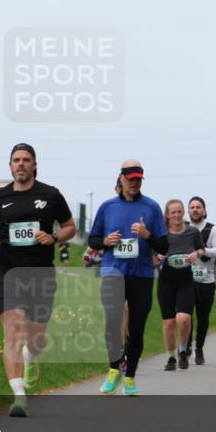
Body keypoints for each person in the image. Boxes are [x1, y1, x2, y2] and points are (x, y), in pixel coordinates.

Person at [0, 143, 75, 417]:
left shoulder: (50, 195)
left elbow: (70, 227)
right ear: (10, 166)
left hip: (41, 274)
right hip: (8, 273)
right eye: (16, 160)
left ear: (34, 165)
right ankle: (19, 396)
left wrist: (54, 237)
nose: (21, 164)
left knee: (36, 338)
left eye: (26, 160)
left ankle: (32, 357)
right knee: (14, 329)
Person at [89, 161, 169, 396]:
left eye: (138, 179)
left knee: (136, 327)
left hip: (142, 274)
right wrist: (105, 241)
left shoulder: (151, 207)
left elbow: (164, 246)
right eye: (131, 179)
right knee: (112, 323)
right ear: (121, 179)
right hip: (113, 272)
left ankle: (130, 376)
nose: (134, 183)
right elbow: (92, 240)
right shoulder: (107, 207)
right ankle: (114, 369)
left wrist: (147, 235)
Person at [156, 200, 205, 371]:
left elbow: (201, 249)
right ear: (167, 215)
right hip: (166, 281)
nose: (177, 215)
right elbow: (153, 252)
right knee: (169, 323)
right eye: (173, 212)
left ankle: (183, 350)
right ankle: (171, 357)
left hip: (185, 280)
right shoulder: (161, 233)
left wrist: (196, 254)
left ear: (184, 213)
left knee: (183, 319)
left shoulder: (192, 231)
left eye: (179, 212)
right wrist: (157, 256)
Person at [186, 196, 216, 365]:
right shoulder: (184, 228)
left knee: (203, 317)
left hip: (206, 280)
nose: (195, 210)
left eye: (198, 207)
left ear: (204, 210)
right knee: (186, 315)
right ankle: (186, 346)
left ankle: (199, 348)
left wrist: (203, 251)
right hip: (186, 280)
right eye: (192, 207)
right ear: (188, 210)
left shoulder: (212, 229)